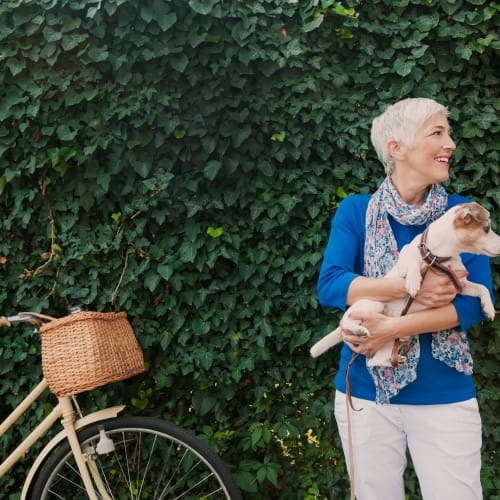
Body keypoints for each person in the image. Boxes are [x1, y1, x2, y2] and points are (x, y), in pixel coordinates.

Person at [317, 97, 493, 500]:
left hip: (444, 393)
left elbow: (469, 306)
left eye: (448, 132)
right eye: (437, 133)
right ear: (397, 148)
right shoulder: (356, 211)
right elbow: (332, 284)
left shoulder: (459, 213)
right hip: (365, 391)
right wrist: (404, 288)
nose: (450, 143)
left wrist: (392, 328)